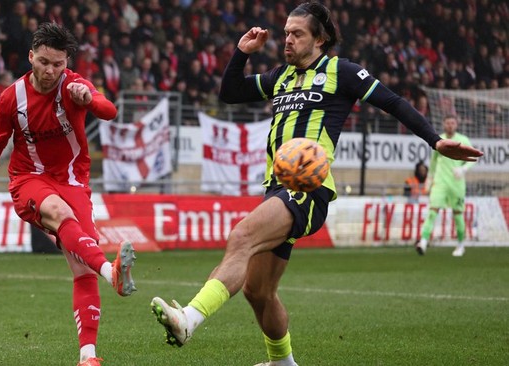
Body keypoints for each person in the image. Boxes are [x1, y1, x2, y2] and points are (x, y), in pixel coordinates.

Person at [149, 3, 483, 366]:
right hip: (276, 187)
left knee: (242, 236)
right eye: (286, 33)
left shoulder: (342, 72)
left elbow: (394, 103)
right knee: (258, 291)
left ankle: (189, 320)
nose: (287, 40)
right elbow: (231, 92)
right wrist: (241, 53)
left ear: (320, 39)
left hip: (309, 187)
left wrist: (435, 140)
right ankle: (283, 363)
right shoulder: (281, 77)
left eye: (297, 34)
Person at [0, 23, 136, 366]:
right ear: (31, 57)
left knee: (81, 269)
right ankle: (112, 273)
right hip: (29, 178)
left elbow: (110, 112)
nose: (51, 70)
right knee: (59, 213)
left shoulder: (74, 85)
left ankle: (88, 357)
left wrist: (91, 100)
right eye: (43, 62)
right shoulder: (11, 98)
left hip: (73, 181)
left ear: (66, 62)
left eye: (58, 64)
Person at [416, 115, 475, 257]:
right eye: (447, 123)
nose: (450, 125)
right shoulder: (438, 140)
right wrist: (429, 180)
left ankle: (460, 245)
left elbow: (473, 159)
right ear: (444, 124)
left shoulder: (463, 140)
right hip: (440, 182)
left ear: (456, 124)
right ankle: (423, 242)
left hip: (457, 184)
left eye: (452, 123)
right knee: (432, 211)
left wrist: (463, 169)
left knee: (458, 215)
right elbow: (434, 162)